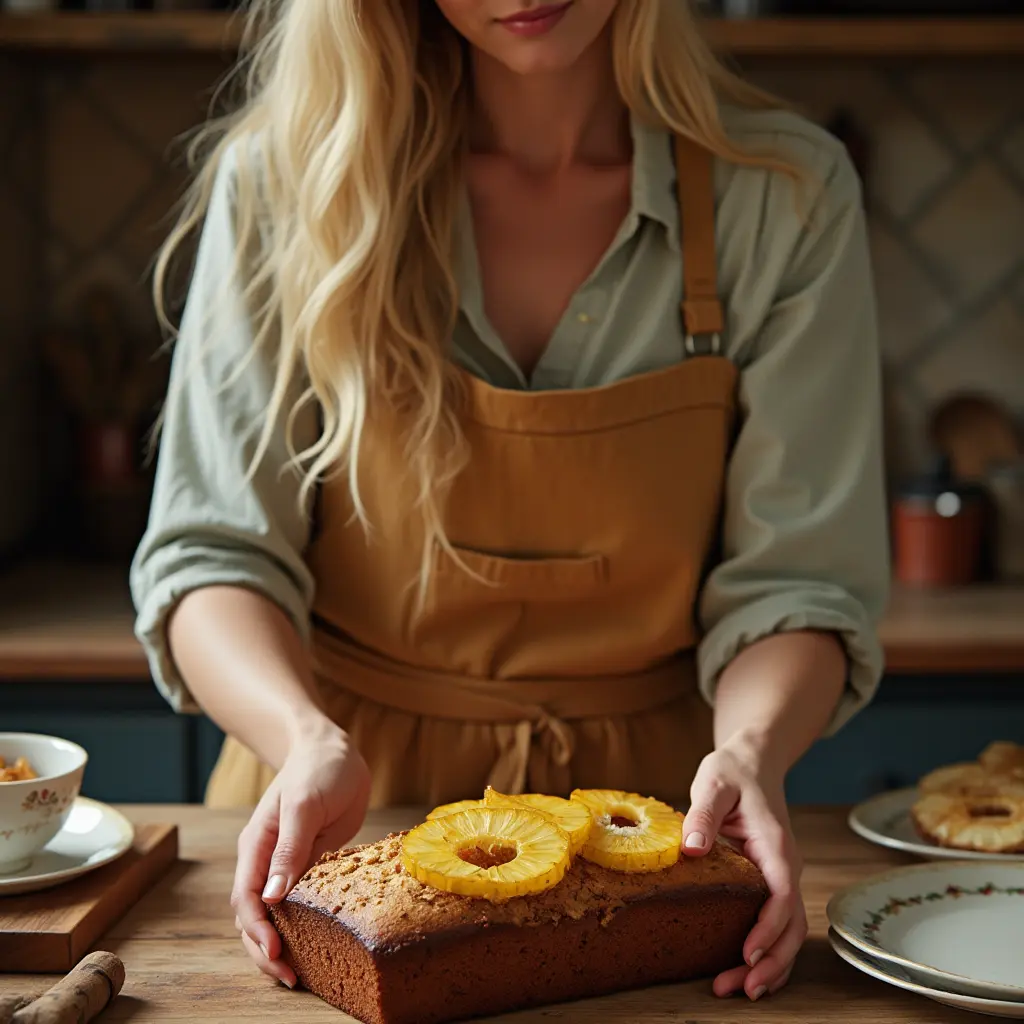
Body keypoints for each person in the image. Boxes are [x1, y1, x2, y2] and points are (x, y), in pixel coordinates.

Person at [130, 0, 890, 1005]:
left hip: (657, 823)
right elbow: (212, 553)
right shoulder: (282, 180)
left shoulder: (784, 194)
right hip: (341, 807)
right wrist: (303, 740)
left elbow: (795, 581)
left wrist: (749, 752)